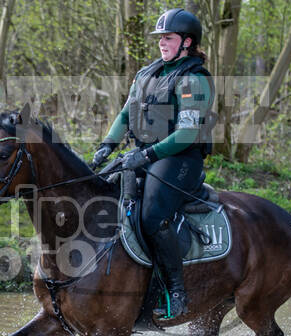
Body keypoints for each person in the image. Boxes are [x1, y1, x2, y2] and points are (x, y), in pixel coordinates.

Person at [92, 8, 215, 318]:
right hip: (144, 154)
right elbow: (125, 114)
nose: (162, 43)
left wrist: (145, 156)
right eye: (160, 38)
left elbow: (187, 134)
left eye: (168, 38)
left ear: (187, 42)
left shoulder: (193, 79)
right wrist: (108, 145)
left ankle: (175, 291)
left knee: (151, 216)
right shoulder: (146, 73)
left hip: (180, 159)